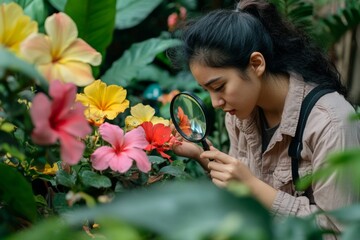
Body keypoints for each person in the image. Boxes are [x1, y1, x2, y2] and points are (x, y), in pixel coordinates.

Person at [170, 0, 360, 238]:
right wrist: (199, 154)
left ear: (256, 64)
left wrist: (251, 185)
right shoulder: (241, 114)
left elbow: (342, 231)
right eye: (206, 90)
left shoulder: (331, 123)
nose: (216, 102)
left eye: (219, 86)